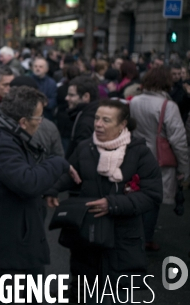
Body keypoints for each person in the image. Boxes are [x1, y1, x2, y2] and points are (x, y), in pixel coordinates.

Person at [46, 100, 162, 300]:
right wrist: (52, 189)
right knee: (87, 288)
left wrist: (113, 204)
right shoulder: (86, 148)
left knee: (118, 293)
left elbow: (152, 195)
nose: (98, 124)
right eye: (97, 118)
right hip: (87, 234)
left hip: (123, 236)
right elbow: (71, 174)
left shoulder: (139, 152)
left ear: (122, 124)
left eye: (106, 120)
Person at [0, 86, 69, 293]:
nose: (41, 123)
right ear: (22, 121)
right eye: (38, 118)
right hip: (11, 244)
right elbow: (29, 182)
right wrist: (58, 162)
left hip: (13, 235)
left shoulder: (3, 131)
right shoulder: (2, 143)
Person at [129, 67, 189, 251]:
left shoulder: (134, 101)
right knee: (154, 198)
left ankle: (133, 232)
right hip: (159, 159)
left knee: (136, 192)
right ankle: (145, 237)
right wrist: (185, 168)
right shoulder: (168, 106)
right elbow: (178, 139)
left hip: (137, 153)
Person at [65, 76, 99, 158]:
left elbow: (83, 155)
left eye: (71, 95)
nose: (66, 98)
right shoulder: (86, 114)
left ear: (86, 97)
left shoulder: (86, 122)